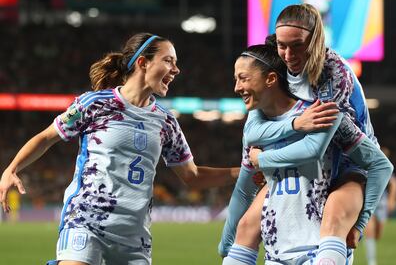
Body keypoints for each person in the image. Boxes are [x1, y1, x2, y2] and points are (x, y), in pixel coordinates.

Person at [0, 32, 240, 265]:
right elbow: (46, 137)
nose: (176, 70)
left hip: (134, 235)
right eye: (168, 61)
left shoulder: (166, 123)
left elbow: (193, 176)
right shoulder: (94, 104)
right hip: (86, 219)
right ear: (143, 63)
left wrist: (244, 171)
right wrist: (12, 168)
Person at [220, 3, 393, 264]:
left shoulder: (334, 75)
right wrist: (294, 125)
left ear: (315, 40)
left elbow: (315, 147)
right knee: (246, 227)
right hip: (302, 159)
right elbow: (254, 128)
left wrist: (262, 159)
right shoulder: (276, 63)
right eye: (282, 45)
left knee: (333, 216)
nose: (288, 54)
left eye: (297, 45)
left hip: (348, 163)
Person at [222, 44, 351, 264]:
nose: (237, 87)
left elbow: (370, 160)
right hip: (276, 250)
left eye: (243, 78)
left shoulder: (319, 113)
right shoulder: (255, 131)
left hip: (320, 247)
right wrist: (226, 243)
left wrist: (358, 220)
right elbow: (244, 188)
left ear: (271, 79)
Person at [365, 147, 396, 265]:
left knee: (378, 234)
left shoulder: (385, 168)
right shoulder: (366, 166)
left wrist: (391, 200)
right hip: (369, 201)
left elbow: (394, 184)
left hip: (382, 203)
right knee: (369, 231)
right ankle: (372, 262)